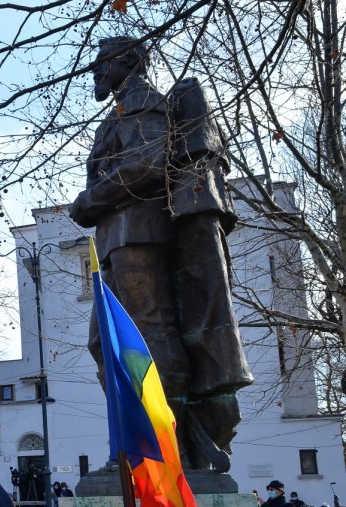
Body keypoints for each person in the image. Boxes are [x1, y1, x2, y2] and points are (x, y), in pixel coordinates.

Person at [71, 36, 252, 472]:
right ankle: (137, 438)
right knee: (104, 343)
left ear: (128, 62)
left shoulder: (144, 102)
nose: (96, 71)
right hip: (117, 238)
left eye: (103, 62)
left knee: (151, 334)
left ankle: (166, 446)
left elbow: (148, 165)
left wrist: (89, 200)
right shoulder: (120, 110)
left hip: (141, 233)